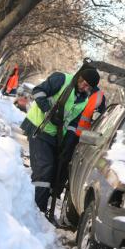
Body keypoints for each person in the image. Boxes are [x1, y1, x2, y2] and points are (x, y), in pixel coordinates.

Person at [20, 67, 100, 213]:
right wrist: (48, 110)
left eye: (88, 86)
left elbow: (73, 122)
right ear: (79, 77)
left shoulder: (84, 99)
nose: (84, 87)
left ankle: (34, 206)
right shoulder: (62, 79)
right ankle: (38, 210)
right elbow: (38, 90)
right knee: (44, 168)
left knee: (53, 173)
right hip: (39, 128)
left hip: (55, 136)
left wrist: (69, 141)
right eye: (83, 82)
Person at [56, 89, 106, 198]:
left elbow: (100, 119)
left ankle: (57, 189)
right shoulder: (76, 88)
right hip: (71, 130)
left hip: (84, 137)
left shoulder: (99, 96)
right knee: (63, 159)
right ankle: (55, 188)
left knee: (70, 163)